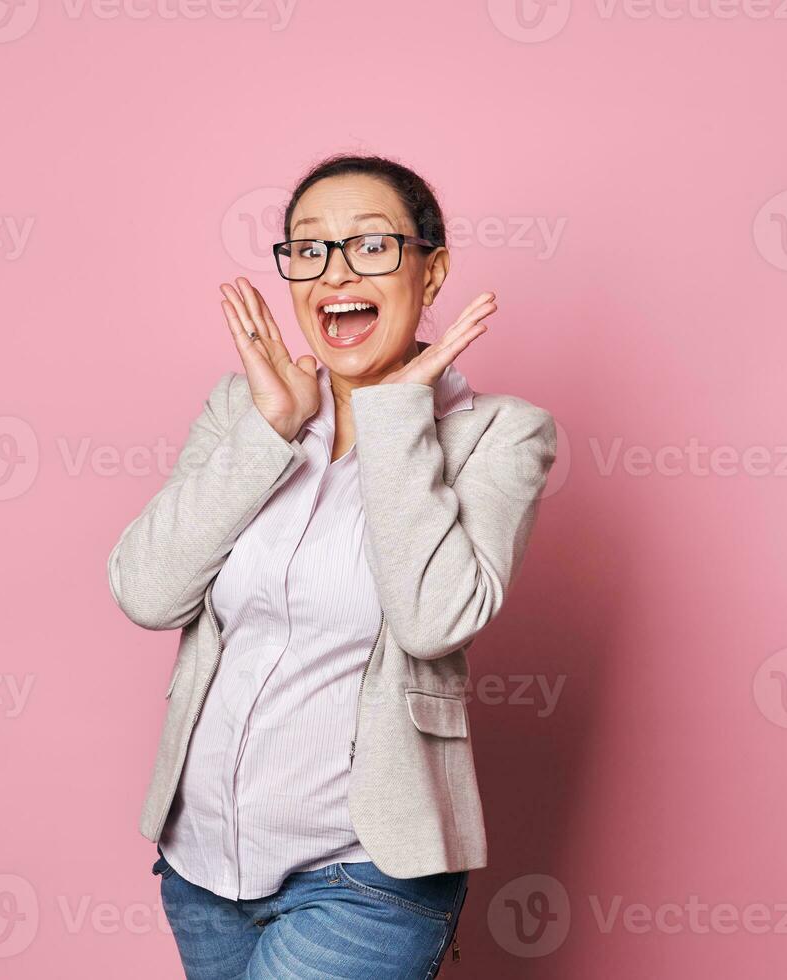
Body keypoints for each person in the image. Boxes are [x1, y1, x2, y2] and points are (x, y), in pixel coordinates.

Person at [107, 153, 558, 979]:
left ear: (433, 271)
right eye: (308, 249)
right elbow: (146, 591)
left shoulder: (502, 434)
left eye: (370, 247)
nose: (333, 272)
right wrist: (271, 429)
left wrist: (394, 419)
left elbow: (432, 621)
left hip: (363, 875)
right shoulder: (244, 408)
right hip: (199, 866)